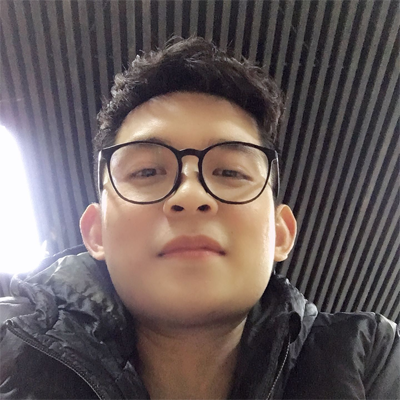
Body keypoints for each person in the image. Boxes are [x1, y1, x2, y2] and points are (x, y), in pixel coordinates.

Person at [0, 37, 399, 400]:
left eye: (230, 172)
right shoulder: (8, 350)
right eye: (146, 172)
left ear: (281, 233)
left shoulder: (371, 358)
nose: (190, 195)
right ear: (96, 231)